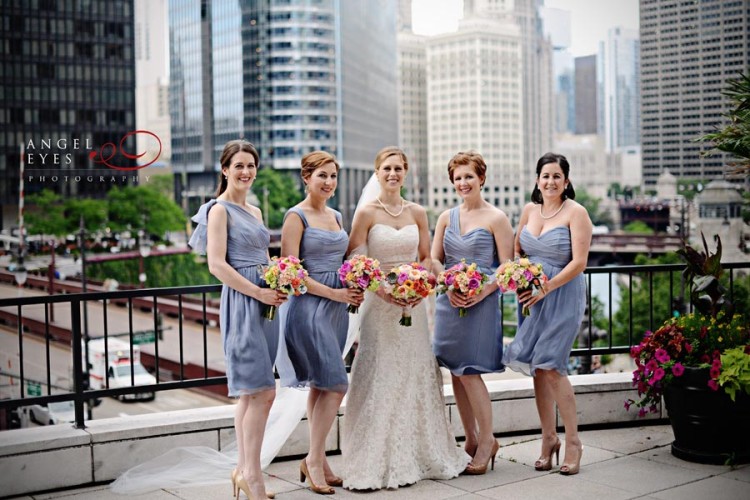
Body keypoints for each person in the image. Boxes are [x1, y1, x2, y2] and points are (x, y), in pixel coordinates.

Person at [341, 146, 469, 490]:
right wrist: (385, 292)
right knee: (380, 372)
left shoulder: (417, 212)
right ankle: (373, 457)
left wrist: (422, 288)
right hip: (380, 307)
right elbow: (354, 262)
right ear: (377, 172)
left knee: (413, 372)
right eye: (387, 168)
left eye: (398, 168)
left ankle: (421, 452)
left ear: (406, 172)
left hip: (412, 305)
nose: (393, 174)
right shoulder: (366, 213)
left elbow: (427, 258)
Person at [189, 139, 287, 500]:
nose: (246, 172)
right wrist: (258, 291)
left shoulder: (257, 212)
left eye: (251, 166)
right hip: (243, 303)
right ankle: (253, 477)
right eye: (239, 166)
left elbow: (263, 257)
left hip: (267, 305)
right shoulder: (218, 211)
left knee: (250, 395)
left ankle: (243, 471)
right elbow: (217, 265)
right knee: (263, 391)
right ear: (225, 169)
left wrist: (277, 280)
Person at [502, 152, 592, 476]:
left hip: (562, 294)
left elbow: (579, 262)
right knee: (537, 370)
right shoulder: (529, 210)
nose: (551, 182)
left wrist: (547, 286)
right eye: (545, 176)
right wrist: (519, 276)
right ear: (537, 180)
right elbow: (518, 248)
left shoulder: (576, 213)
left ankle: (573, 442)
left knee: (552, 366)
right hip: (531, 297)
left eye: (557, 176)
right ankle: (548, 439)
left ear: (566, 181)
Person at [279, 151, 364, 495]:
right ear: (306, 177)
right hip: (310, 310)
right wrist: (335, 293)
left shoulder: (337, 215)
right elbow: (290, 273)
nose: (328, 182)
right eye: (321, 176)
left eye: (332, 176)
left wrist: (356, 279)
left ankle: (320, 461)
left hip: (336, 312)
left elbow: (343, 261)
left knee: (320, 386)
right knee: (336, 384)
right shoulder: (295, 217)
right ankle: (313, 458)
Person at [430, 151, 513, 475]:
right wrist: (448, 283)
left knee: (469, 371)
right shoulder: (445, 217)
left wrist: (483, 290)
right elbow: (435, 259)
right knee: (454, 371)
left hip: (482, 302)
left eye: (469, 177)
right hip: (449, 302)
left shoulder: (497, 218)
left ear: (481, 178)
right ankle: (471, 439)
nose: (463, 183)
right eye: (458, 178)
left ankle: (488, 440)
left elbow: (507, 265)